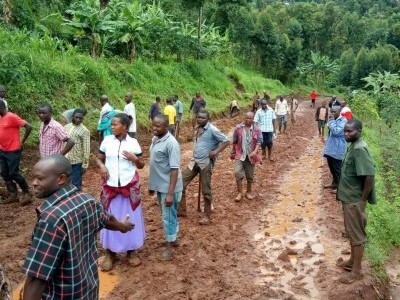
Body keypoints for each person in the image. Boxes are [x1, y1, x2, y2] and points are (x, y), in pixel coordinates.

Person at [21, 154, 134, 300]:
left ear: (61, 179)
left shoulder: (51, 219)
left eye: (40, 178)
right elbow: (108, 220)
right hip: (88, 290)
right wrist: (122, 226)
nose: (34, 183)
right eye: (33, 178)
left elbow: (37, 279)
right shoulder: (87, 201)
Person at [96, 113, 146, 271]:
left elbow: (141, 165)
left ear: (124, 126)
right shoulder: (107, 141)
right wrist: (102, 166)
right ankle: (110, 253)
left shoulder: (133, 143)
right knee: (110, 218)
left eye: (115, 124)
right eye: (111, 125)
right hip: (110, 187)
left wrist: (135, 159)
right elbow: (98, 158)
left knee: (131, 217)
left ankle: (131, 251)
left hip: (128, 185)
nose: (112, 127)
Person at [336, 119, 376, 284]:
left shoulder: (359, 149)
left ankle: (357, 271)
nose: (346, 134)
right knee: (351, 232)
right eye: (345, 131)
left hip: (355, 199)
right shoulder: (353, 145)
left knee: (357, 235)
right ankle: (352, 261)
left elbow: (369, 175)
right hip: (349, 197)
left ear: (359, 131)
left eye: (350, 131)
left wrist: (362, 200)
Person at [178, 110, 229, 225]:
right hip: (194, 161)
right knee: (180, 182)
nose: (200, 119)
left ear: (208, 119)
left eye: (203, 118)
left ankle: (207, 216)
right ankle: (181, 210)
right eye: (198, 117)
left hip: (205, 163)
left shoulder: (212, 130)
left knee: (206, 190)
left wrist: (215, 152)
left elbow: (226, 141)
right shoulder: (197, 128)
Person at [149, 115, 183, 260]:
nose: (155, 128)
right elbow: (155, 164)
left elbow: (174, 169)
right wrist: (152, 185)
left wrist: (170, 194)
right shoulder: (155, 139)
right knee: (169, 214)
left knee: (168, 217)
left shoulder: (171, 143)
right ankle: (173, 239)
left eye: (158, 126)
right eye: (153, 125)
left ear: (166, 127)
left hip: (169, 187)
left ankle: (169, 248)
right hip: (160, 185)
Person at [0, 100, 32, 205]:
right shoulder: (1, 118)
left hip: (13, 150)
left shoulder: (11, 117)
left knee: (14, 173)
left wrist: (22, 142)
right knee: (4, 173)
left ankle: (27, 192)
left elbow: (29, 126)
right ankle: (13, 195)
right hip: (3, 150)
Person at [231, 112, 262, 201]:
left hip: (251, 156)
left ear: (253, 119)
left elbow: (259, 141)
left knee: (250, 175)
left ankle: (248, 192)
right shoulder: (238, 128)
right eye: (246, 118)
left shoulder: (257, 129)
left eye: (250, 118)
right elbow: (234, 141)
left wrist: (255, 152)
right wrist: (233, 152)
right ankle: (240, 192)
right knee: (237, 173)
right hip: (240, 154)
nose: (247, 120)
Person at [64, 109, 90, 191]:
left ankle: (78, 200)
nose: (78, 120)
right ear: (72, 117)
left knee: (76, 184)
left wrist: (85, 164)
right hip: (65, 160)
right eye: (76, 117)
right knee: (66, 182)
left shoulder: (84, 131)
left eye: (80, 118)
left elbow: (86, 148)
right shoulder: (67, 127)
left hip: (77, 161)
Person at [323, 106, 347, 189]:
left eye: (334, 112)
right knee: (332, 167)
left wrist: (331, 121)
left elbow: (336, 131)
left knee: (337, 169)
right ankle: (334, 183)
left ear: (339, 111)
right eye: (331, 112)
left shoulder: (343, 121)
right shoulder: (333, 120)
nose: (333, 113)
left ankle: (340, 188)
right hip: (331, 147)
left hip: (338, 148)